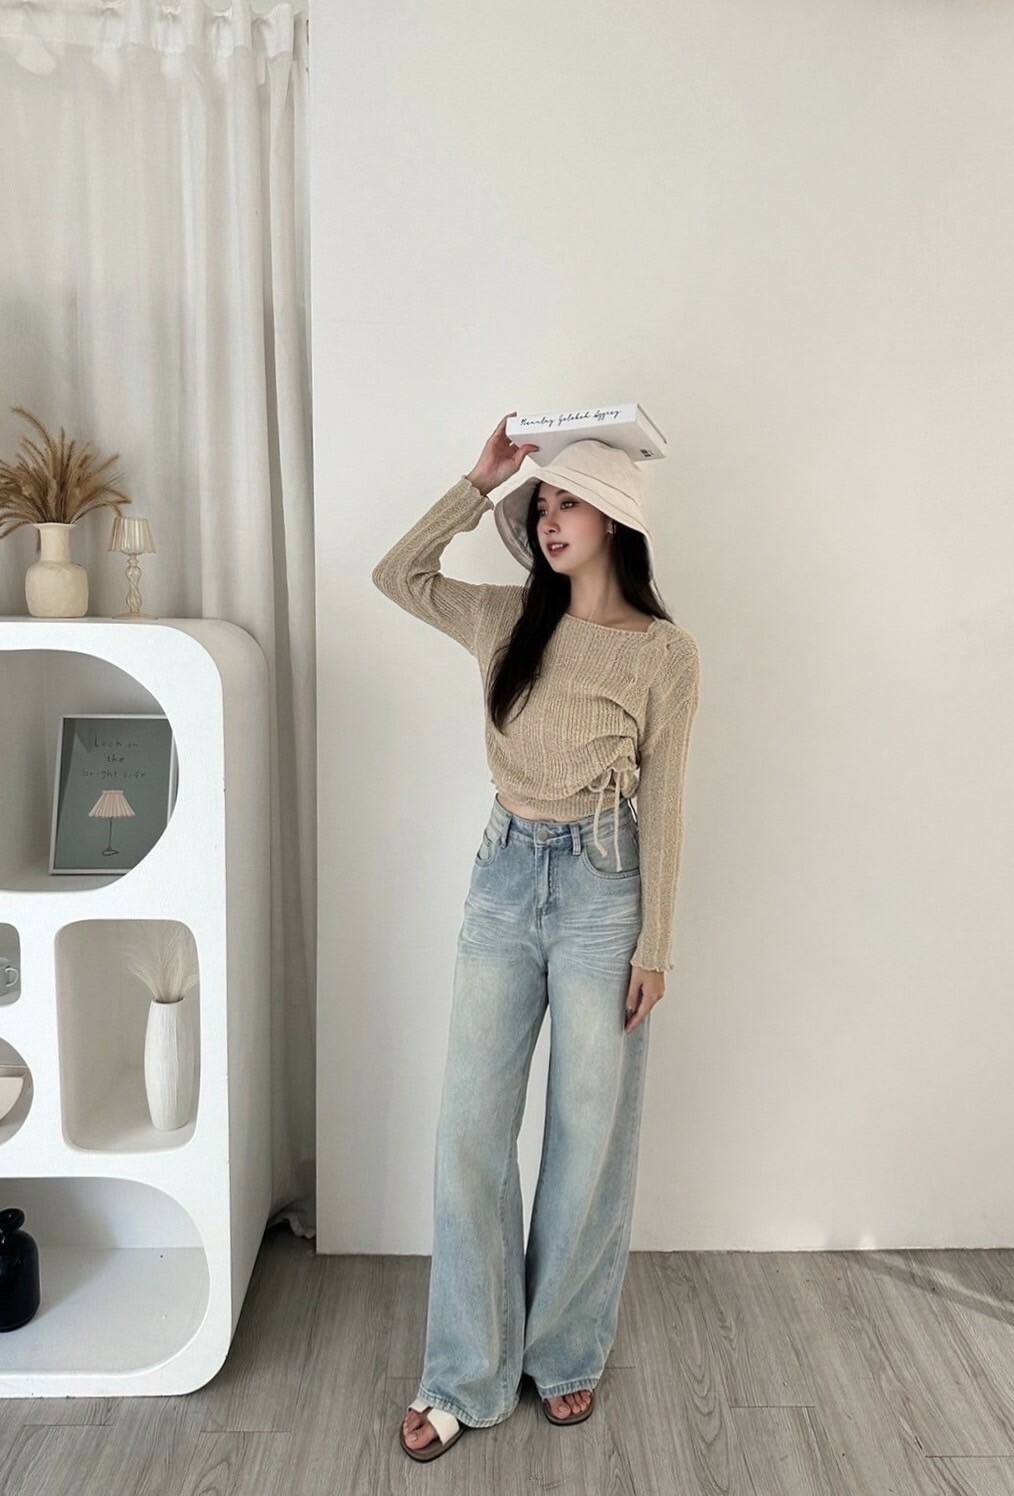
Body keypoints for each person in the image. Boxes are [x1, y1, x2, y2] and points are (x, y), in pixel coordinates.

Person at [371, 412, 701, 1463]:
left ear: (614, 520)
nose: (549, 521)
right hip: (505, 880)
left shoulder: (666, 654)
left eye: (568, 504)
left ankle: (561, 1351)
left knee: (587, 1137)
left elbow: (668, 800)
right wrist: (479, 482)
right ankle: (465, 1372)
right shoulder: (504, 617)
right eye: (542, 506)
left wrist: (657, 944)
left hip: (607, 887)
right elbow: (396, 574)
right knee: (471, 1133)